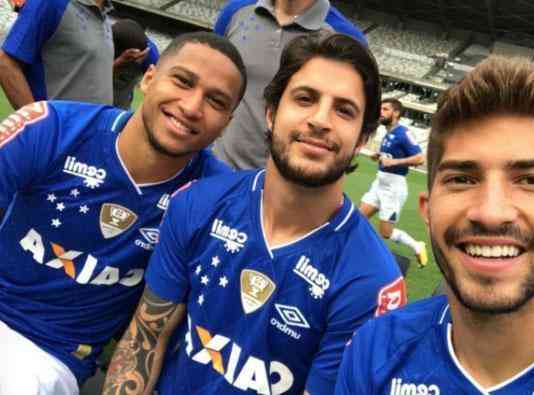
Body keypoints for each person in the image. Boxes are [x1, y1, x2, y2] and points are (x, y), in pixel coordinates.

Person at [102, 33, 406, 395]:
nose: (320, 120)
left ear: (362, 138)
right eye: (305, 99)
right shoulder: (199, 203)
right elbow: (146, 340)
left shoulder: (370, 280)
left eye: (344, 110)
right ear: (272, 113)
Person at [335, 56, 534, 394]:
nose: (491, 213)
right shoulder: (376, 348)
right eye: (462, 178)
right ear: (428, 211)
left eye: (531, 180)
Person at [0, 31, 247, 395]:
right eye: (182, 81)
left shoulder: (217, 200)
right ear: (149, 79)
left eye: (215, 100)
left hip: (48, 356)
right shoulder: (52, 126)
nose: (192, 106)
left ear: (227, 122)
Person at [212, 0, 366, 170]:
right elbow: (209, 82)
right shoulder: (236, 11)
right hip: (216, 171)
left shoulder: (347, 37)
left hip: (284, 185)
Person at [0, 0, 114, 109]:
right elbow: (5, 63)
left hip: (97, 127)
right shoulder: (51, 3)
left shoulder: (105, 14)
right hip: (60, 127)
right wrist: (39, 124)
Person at [360, 98, 428, 268]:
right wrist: (379, 156)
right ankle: (357, 250)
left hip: (393, 188)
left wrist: (394, 163)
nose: (380, 112)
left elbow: (420, 158)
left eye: (385, 109)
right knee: (358, 217)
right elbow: (389, 157)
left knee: (386, 233)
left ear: (396, 113)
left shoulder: (404, 133)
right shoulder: (388, 133)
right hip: (379, 183)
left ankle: (416, 245)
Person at [112, 18, 160, 109]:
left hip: (121, 102)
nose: (139, 57)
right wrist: (119, 63)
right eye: (135, 57)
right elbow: (95, 80)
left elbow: (157, 91)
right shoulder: (101, 46)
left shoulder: (150, 54)